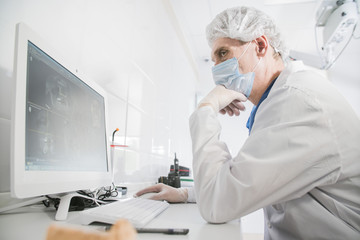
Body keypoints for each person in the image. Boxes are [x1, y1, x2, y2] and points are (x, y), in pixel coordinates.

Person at [135, 6, 360, 239]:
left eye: (223, 53)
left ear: (260, 46)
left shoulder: (299, 101)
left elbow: (218, 205)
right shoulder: (280, 99)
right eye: (213, 60)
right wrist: (185, 194)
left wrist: (206, 109)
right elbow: (246, 179)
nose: (216, 70)